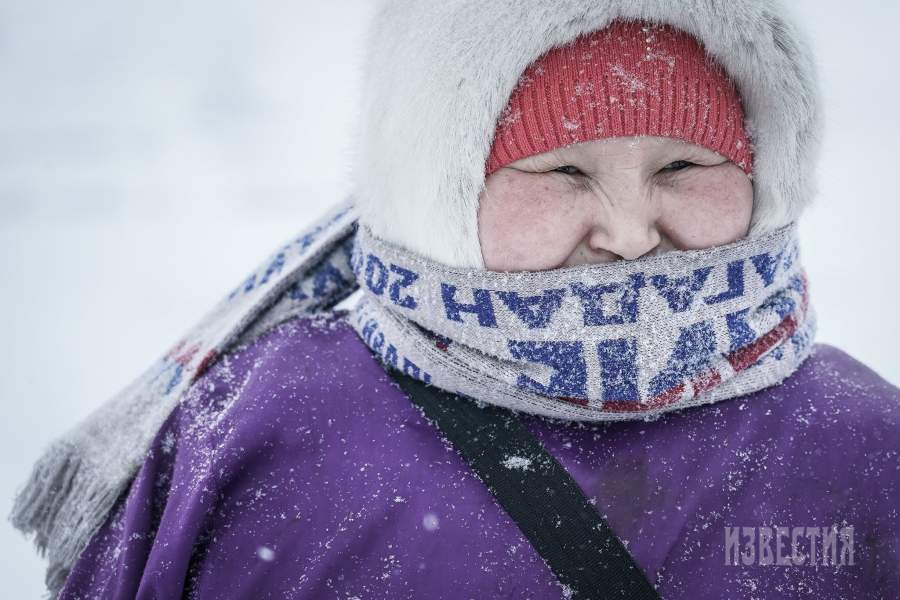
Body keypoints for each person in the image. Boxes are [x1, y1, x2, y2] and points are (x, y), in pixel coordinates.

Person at [12, 3, 900, 598]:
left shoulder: (867, 446)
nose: (630, 232)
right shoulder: (259, 431)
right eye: (561, 170)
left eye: (683, 166)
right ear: (438, 189)